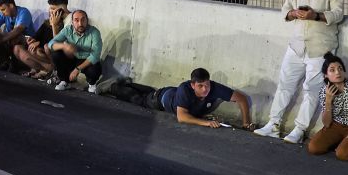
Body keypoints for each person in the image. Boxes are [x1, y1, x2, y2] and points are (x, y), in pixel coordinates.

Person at [253, 0, 345, 144]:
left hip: (320, 48)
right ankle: (274, 124)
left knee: (311, 90)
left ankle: (299, 129)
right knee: (284, 85)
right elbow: (284, 10)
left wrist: (316, 16)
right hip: (296, 46)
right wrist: (293, 13)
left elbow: (338, 14)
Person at [105, 68, 253, 129]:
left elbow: (241, 99)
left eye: (207, 85)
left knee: (147, 91)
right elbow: (182, 117)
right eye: (200, 86)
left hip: (171, 93)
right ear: (192, 85)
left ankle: (127, 84)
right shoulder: (185, 88)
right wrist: (207, 123)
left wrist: (246, 123)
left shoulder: (213, 87)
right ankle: (113, 87)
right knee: (137, 99)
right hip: (159, 101)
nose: (205, 89)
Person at [46, 9, 103, 92]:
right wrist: (64, 46)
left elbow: (95, 55)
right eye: (76, 20)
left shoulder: (94, 32)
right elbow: (51, 44)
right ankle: (65, 81)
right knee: (56, 53)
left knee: (95, 67)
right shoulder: (68, 30)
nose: (80, 24)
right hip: (72, 58)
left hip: (86, 60)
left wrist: (77, 69)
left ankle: (92, 83)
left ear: (87, 21)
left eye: (83, 20)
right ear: (72, 22)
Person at [15, 0, 69, 78]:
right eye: (50, 8)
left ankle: (51, 70)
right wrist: (33, 40)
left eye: (53, 9)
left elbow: (56, 43)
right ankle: (44, 69)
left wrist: (54, 26)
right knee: (18, 48)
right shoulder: (47, 22)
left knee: (40, 50)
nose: (50, 11)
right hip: (42, 54)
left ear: (61, 11)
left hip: (51, 54)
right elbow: (37, 36)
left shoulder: (65, 24)